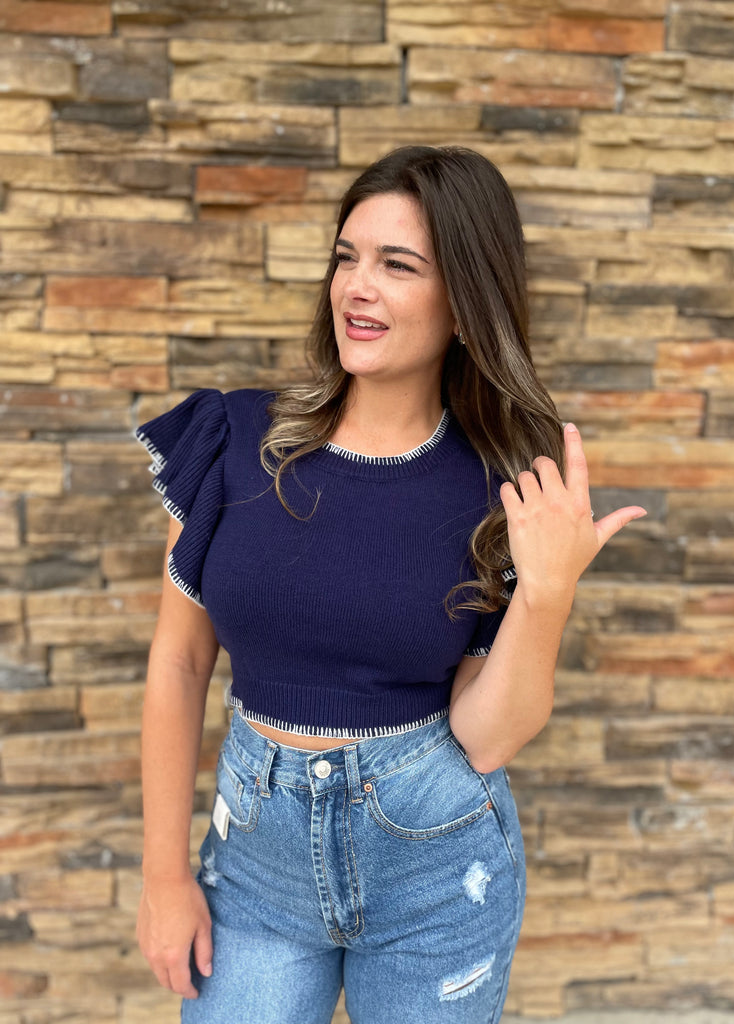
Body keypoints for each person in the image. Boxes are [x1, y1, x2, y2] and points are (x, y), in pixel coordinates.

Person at [135, 145, 646, 1024]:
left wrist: (547, 594)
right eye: (347, 257)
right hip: (256, 875)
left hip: (436, 875)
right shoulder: (236, 439)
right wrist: (161, 876)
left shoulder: (498, 490)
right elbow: (179, 662)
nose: (356, 287)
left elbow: (487, 735)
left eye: (397, 265)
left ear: (465, 303)